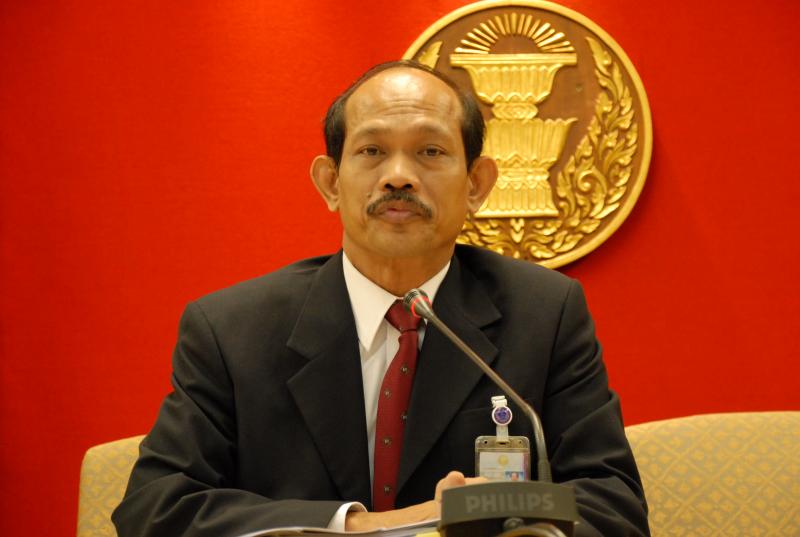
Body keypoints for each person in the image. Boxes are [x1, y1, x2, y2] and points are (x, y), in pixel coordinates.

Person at [113, 60, 649, 536]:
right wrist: (361, 526)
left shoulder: (544, 314)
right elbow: (155, 508)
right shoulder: (232, 330)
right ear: (330, 182)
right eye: (372, 151)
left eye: (430, 151)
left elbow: (613, 505)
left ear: (477, 184)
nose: (398, 177)